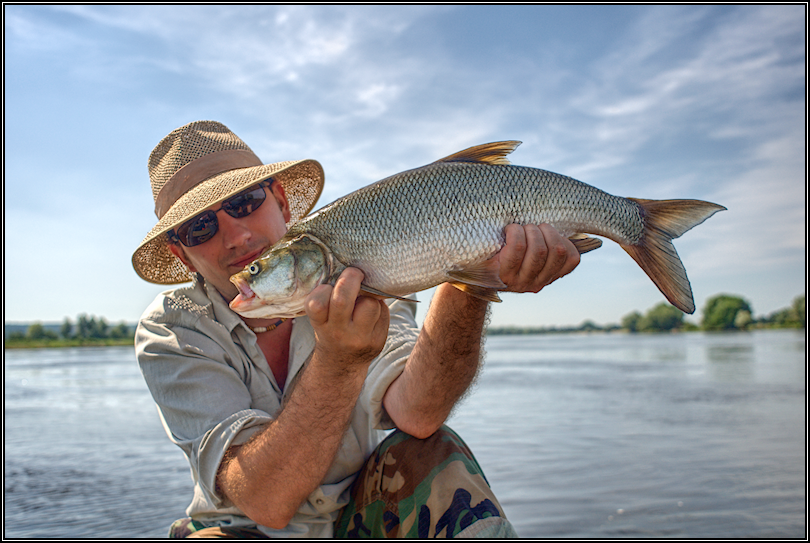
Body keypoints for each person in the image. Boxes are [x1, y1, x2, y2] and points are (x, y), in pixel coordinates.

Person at [133, 121, 581, 538]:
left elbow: (418, 413)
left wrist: (474, 279)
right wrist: (339, 360)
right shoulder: (172, 329)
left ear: (281, 201)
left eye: (243, 203)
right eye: (200, 227)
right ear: (181, 254)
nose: (236, 236)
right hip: (240, 529)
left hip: (361, 515)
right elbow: (266, 502)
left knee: (435, 450)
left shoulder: (372, 272)